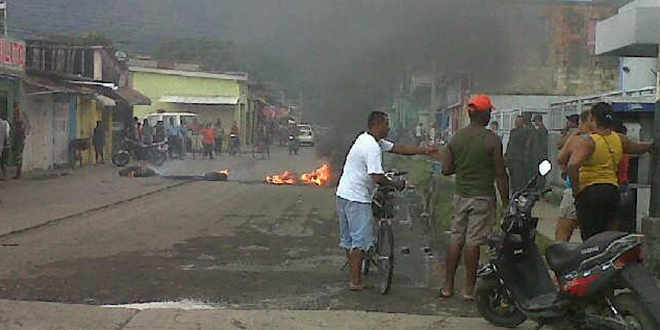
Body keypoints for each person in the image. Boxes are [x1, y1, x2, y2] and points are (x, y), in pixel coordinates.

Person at [336, 111, 436, 291]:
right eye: (386, 124)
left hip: (343, 193)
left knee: (349, 239)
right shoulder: (372, 147)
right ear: (377, 124)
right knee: (359, 241)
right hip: (357, 197)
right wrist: (396, 184)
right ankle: (356, 282)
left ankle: (354, 273)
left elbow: (399, 149)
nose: (389, 127)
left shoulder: (368, 139)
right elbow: (376, 176)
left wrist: (425, 150)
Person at [436, 94, 509, 300]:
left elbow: (446, 170)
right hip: (483, 198)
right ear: (484, 114)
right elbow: (501, 174)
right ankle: (469, 290)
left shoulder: (456, 138)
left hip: (460, 196)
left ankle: (447, 287)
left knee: (456, 239)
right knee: (473, 242)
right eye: (490, 111)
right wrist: (506, 202)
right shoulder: (492, 139)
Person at [560, 102, 652, 240]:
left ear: (592, 119)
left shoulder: (589, 142)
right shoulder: (619, 139)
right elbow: (638, 148)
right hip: (612, 192)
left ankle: (591, 260)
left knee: (590, 237)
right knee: (608, 237)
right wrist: (651, 145)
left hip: (590, 193)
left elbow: (573, 165)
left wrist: (576, 190)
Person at [555, 111, 591, 242]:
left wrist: (571, 134)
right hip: (594, 189)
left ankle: (559, 257)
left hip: (574, 188)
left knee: (563, 230)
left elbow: (560, 153)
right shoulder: (601, 138)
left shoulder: (576, 137)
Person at [505, 115, 536, 193]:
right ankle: (514, 193)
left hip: (519, 159)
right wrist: (506, 154)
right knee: (512, 179)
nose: (517, 123)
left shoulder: (526, 132)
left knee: (518, 179)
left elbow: (527, 145)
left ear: (522, 122)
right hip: (511, 158)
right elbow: (510, 143)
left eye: (519, 121)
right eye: (516, 121)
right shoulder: (513, 131)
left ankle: (518, 194)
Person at [11, 106, 26, 179]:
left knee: (18, 157)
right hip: (19, 140)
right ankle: (18, 173)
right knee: (18, 157)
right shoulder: (19, 122)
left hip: (19, 140)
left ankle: (18, 173)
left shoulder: (19, 123)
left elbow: (21, 131)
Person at [0, 112, 10, 180]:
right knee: (3, 161)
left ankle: (4, 175)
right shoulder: (5, 123)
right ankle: (4, 175)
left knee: (3, 161)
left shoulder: (5, 123)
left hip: (3, 145)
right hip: (4, 145)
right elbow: (7, 135)